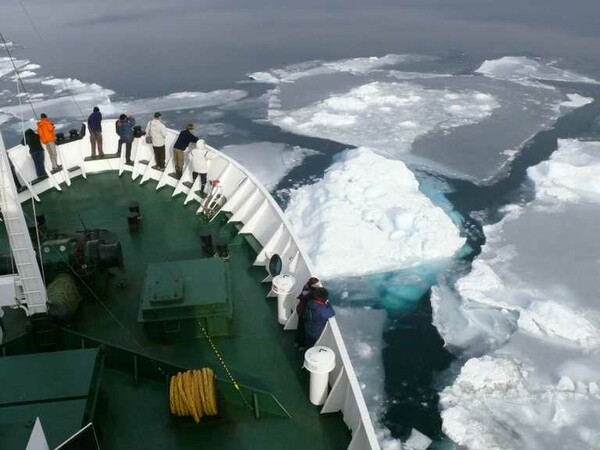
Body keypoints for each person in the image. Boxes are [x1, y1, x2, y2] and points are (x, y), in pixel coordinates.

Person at [294, 277, 322, 349]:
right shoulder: (310, 293)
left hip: (300, 309)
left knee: (300, 327)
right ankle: (302, 345)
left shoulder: (306, 286)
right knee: (303, 329)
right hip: (304, 312)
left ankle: (297, 342)